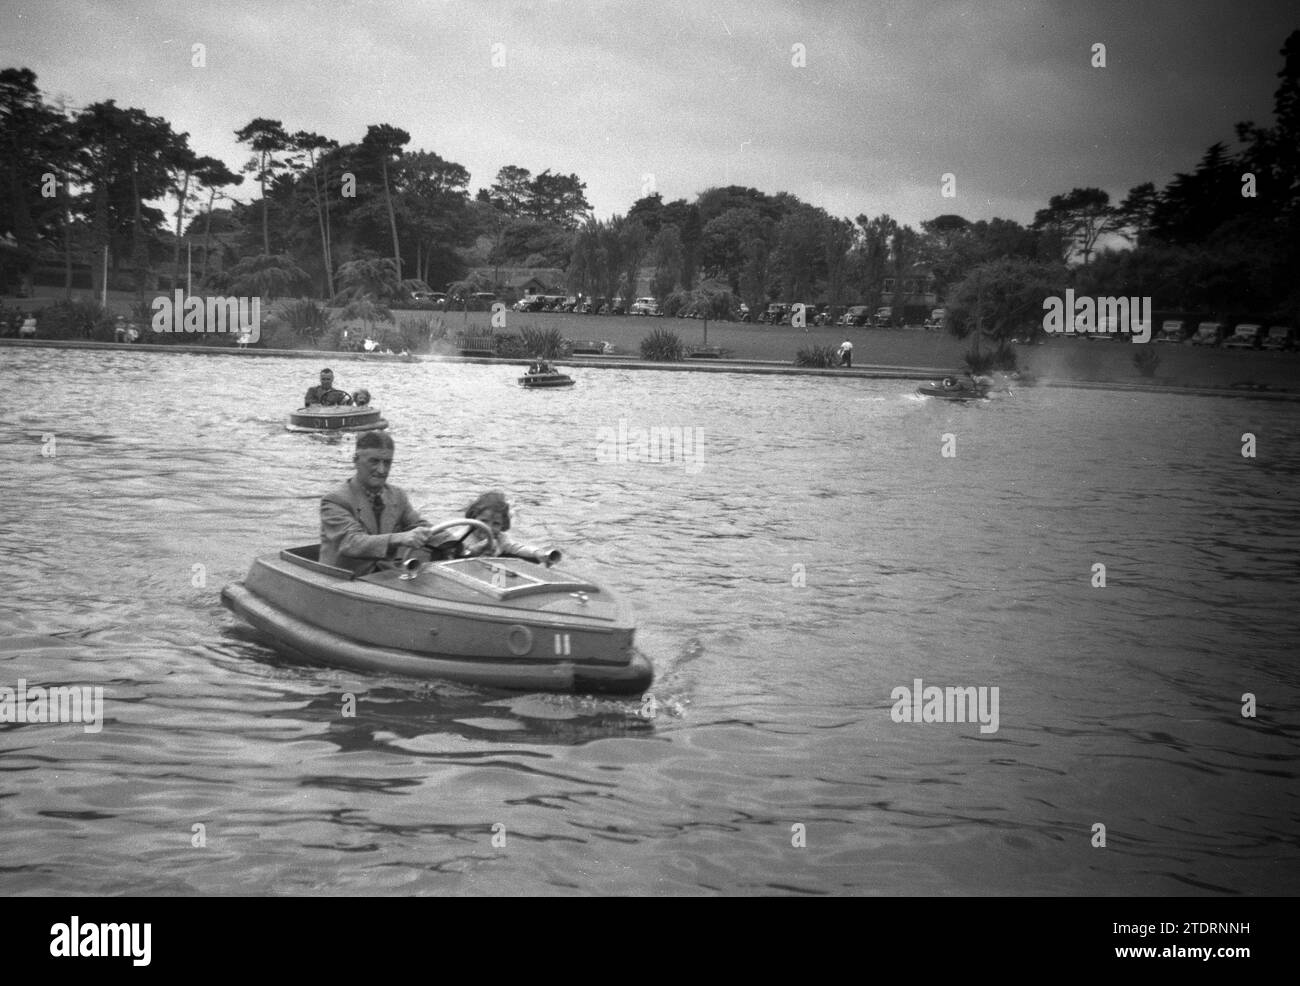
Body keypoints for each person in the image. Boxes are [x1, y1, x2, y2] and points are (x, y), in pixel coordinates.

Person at [319, 431, 439, 576]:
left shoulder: (397, 496)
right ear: (356, 460)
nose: (382, 470)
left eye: (387, 463)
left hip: (384, 578)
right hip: (343, 582)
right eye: (374, 461)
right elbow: (351, 542)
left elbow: (421, 526)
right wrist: (400, 537)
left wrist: (462, 545)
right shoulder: (334, 500)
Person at [454, 490, 560, 566]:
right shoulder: (461, 538)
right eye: (483, 521)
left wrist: (536, 552)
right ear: (473, 518)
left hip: (489, 571)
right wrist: (473, 551)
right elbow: (451, 557)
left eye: (496, 523)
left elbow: (516, 548)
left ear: (502, 525)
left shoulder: (500, 538)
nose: (489, 528)